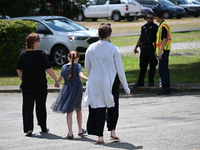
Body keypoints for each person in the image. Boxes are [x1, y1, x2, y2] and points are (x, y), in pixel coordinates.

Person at [84, 23, 130, 143]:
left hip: (95, 80)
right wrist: (126, 87)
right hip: (111, 80)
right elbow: (120, 70)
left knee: (99, 106)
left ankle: (99, 136)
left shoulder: (91, 47)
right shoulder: (113, 48)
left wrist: (95, 73)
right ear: (109, 35)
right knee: (113, 105)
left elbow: (87, 66)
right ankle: (112, 130)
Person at [16, 33, 58, 136]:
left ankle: (29, 128)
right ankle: (43, 126)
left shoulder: (23, 54)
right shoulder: (41, 54)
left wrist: (21, 76)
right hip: (40, 85)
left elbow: (18, 68)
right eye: (39, 41)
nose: (39, 43)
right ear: (35, 43)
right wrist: (56, 79)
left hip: (27, 85)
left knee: (27, 107)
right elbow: (48, 68)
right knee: (41, 107)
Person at [51, 51, 88, 139]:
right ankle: (80, 129)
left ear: (68, 58)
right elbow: (81, 76)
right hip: (77, 89)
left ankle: (70, 132)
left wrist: (57, 83)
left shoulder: (64, 67)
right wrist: (89, 79)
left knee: (69, 111)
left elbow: (59, 78)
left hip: (67, 89)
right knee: (78, 109)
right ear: (77, 59)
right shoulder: (78, 66)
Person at [133, 12, 158, 88]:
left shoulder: (155, 27)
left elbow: (157, 39)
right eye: (148, 18)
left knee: (152, 66)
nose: (149, 19)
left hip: (151, 48)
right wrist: (136, 47)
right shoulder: (143, 27)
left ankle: (151, 81)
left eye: (151, 18)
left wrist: (156, 50)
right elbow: (141, 38)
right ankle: (140, 82)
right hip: (144, 48)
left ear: (153, 19)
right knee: (142, 66)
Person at [155, 13, 172, 95]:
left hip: (164, 50)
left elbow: (164, 39)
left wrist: (160, 52)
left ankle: (165, 87)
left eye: (156, 17)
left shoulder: (163, 26)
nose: (155, 19)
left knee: (163, 69)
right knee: (163, 69)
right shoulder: (163, 25)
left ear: (159, 17)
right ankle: (166, 87)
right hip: (164, 50)